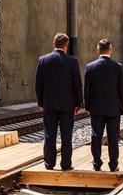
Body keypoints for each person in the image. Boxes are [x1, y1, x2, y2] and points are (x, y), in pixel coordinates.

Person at [35, 33, 83, 171]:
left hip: (49, 104)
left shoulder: (43, 60)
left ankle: (49, 163)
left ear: (53, 43)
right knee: (66, 135)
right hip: (68, 105)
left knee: (49, 134)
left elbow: (38, 84)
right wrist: (78, 103)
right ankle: (66, 164)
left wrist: (40, 102)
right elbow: (77, 85)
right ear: (66, 45)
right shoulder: (72, 61)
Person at [84, 38, 123, 172]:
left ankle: (97, 163)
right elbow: (122, 89)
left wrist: (88, 107)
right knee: (113, 137)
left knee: (96, 136)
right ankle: (113, 165)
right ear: (111, 50)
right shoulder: (118, 67)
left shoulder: (90, 67)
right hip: (114, 109)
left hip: (96, 109)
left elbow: (87, 90)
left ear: (98, 50)